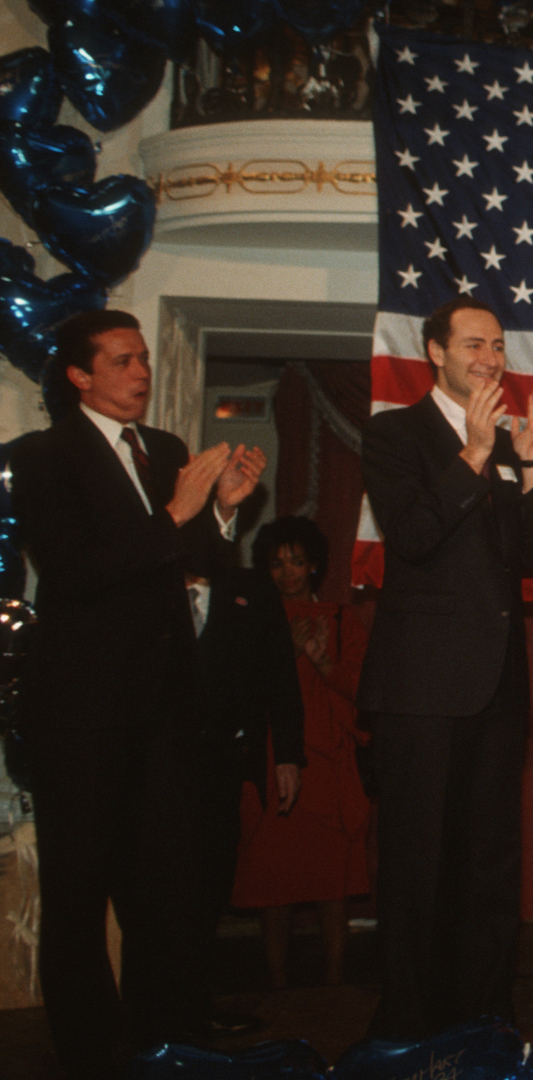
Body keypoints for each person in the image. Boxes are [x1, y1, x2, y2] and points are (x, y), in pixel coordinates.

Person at [11, 309, 265, 1078]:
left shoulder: (165, 451)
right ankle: (89, 1051)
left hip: (164, 712)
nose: (141, 373)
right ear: (78, 375)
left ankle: (168, 1036)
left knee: (166, 886)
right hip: (80, 714)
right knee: (79, 890)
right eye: (122, 361)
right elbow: (72, 570)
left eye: (144, 358)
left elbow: (196, 557)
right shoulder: (45, 456)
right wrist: (177, 513)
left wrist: (222, 509)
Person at [358, 296, 533, 1037]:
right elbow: (411, 536)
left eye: (498, 345)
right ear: (435, 352)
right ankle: (409, 1026)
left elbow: (532, 557)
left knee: (489, 864)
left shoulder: (506, 440)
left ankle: (487, 1018)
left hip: (496, 687)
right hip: (421, 687)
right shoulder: (394, 434)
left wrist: (530, 467)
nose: (490, 358)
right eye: (474, 344)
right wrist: (472, 455)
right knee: (417, 864)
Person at [230, 516, 372, 989]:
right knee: (274, 878)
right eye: (276, 563)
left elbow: (364, 691)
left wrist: (321, 659)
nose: (287, 572)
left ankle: (335, 981)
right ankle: (276, 983)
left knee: (332, 880)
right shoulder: (251, 618)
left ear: (314, 565)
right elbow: (240, 690)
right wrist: (288, 651)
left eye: (296, 561)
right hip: (275, 761)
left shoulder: (340, 618)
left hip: (330, 764)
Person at [187, 553, 302, 1032]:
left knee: (211, 881)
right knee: (161, 889)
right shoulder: (146, 578)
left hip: (223, 760)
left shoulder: (249, 588)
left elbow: (280, 672)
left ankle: (194, 1006)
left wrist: (288, 755)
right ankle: (153, 1011)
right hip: (156, 763)